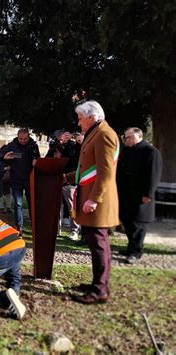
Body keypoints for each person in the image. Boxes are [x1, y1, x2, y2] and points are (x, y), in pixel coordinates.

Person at [64, 100, 119, 304]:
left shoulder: (104, 134)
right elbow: (88, 167)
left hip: (98, 200)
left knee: (99, 244)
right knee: (95, 243)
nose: (79, 123)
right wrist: (67, 177)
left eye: (80, 118)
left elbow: (106, 172)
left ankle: (100, 290)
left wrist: (94, 199)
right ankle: (98, 282)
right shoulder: (95, 132)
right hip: (90, 197)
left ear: (91, 117)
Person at [117, 127, 162, 264]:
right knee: (128, 221)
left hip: (141, 195)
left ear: (139, 136)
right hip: (126, 194)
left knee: (138, 224)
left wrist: (148, 193)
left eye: (129, 137)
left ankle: (136, 252)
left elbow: (154, 174)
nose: (126, 140)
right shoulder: (127, 151)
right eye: (125, 137)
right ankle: (131, 247)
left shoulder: (151, 152)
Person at [0, 128, 40, 233]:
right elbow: (0, 154)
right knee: (18, 203)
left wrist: (36, 160)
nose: (22, 141)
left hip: (29, 179)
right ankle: (19, 226)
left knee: (32, 202)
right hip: (16, 178)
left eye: (25, 139)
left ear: (28, 137)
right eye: (20, 139)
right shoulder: (12, 145)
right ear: (17, 137)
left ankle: (34, 224)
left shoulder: (33, 145)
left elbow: (37, 157)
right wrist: (5, 157)